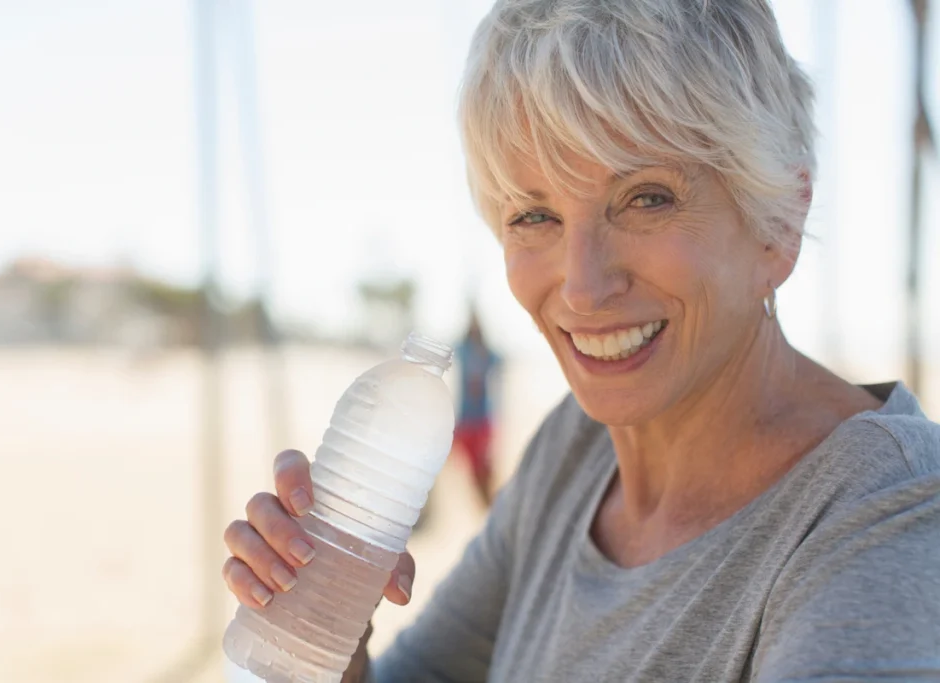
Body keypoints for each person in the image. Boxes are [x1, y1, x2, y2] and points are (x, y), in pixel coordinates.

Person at [221, 1, 940, 681]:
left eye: (648, 198)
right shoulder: (576, 452)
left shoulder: (886, 514)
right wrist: (331, 643)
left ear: (778, 222)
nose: (583, 287)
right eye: (534, 215)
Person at [452, 310, 501, 506]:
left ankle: (490, 509)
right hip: (464, 420)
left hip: (481, 421)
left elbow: (500, 364)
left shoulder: (487, 354)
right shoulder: (463, 351)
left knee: (481, 473)